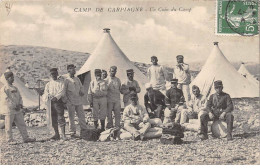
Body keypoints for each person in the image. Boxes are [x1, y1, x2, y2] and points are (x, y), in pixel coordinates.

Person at [0, 71, 36, 144]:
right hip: (9, 110)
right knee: (8, 125)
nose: (13, 79)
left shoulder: (15, 88)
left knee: (21, 123)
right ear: (7, 78)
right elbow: (6, 99)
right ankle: (9, 140)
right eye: (11, 77)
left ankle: (25, 138)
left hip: (17, 109)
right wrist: (14, 106)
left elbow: (20, 97)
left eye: (13, 77)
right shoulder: (4, 89)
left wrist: (19, 104)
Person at [64, 64, 88, 138]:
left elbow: (81, 87)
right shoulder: (66, 80)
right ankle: (72, 132)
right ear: (68, 70)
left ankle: (84, 131)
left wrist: (81, 91)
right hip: (70, 102)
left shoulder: (77, 79)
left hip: (78, 101)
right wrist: (65, 101)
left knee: (81, 116)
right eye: (72, 69)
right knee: (71, 118)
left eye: (74, 69)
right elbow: (64, 91)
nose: (74, 70)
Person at [42, 68, 67, 141]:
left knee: (60, 117)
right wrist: (49, 95)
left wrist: (56, 97)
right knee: (53, 118)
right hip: (51, 103)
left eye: (55, 74)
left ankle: (63, 134)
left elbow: (62, 91)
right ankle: (56, 134)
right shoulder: (48, 84)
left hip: (58, 102)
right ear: (50, 75)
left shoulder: (61, 83)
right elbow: (46, 92)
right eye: (52, 74)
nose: (53, 75)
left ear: (57, 74)